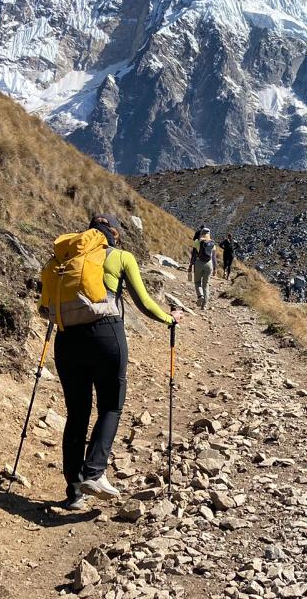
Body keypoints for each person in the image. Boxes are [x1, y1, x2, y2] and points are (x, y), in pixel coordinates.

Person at [53, 214, 182, 510]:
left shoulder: (68, 258)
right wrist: (169, 319)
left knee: (76, 414)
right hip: (106, 335)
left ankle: (74, 493)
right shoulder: (121, 256)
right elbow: (144, 302)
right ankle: (95, 472)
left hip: (66, 339)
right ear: (115, 235)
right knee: (110, 404)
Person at [189, 227, 217, 310]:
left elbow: (194, 255)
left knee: (197, 282)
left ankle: (200, 295)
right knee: (206, 285)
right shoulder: (212, 243)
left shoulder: (197, 241)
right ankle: (204, 306)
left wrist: (191, 265)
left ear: (201, 233)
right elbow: (214, 257)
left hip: (199, 263)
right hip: (209, 264)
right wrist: (215, 268)